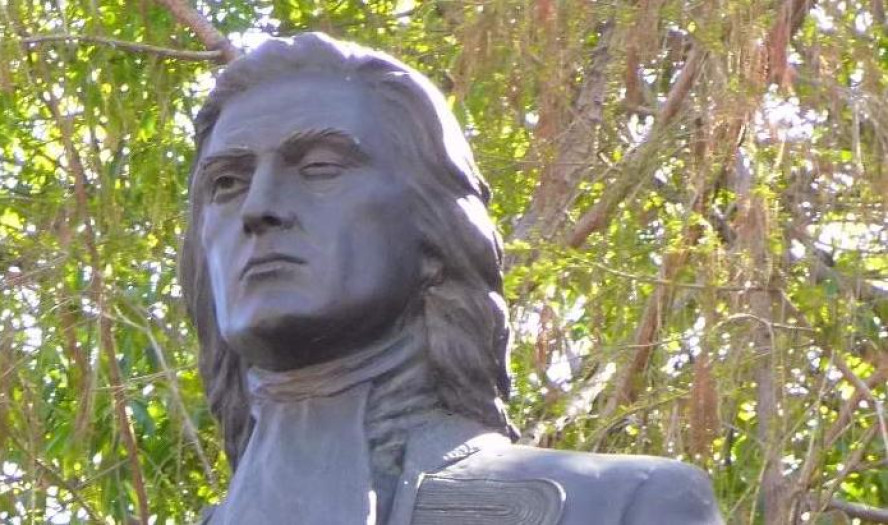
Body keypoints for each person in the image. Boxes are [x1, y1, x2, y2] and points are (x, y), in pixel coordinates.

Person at [178, 32, 722, 525]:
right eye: (227, 183)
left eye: (320, 167)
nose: (259, 207)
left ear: (432, 231)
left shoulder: (620, 507)